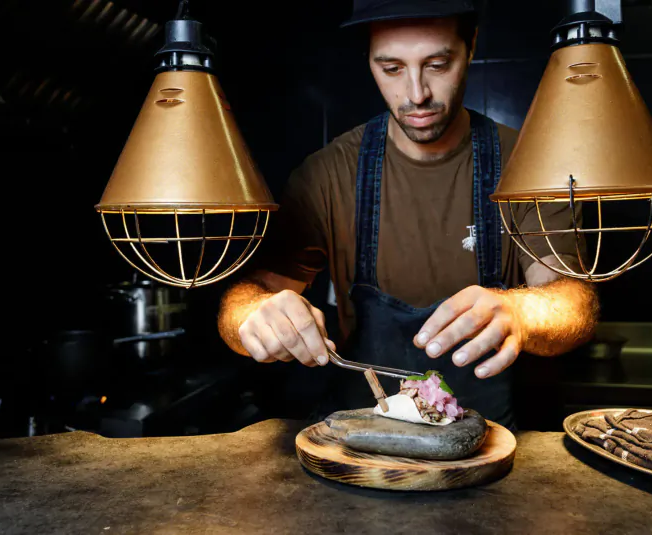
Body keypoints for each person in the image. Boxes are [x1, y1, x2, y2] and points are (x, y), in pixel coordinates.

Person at [218, 0, 598, 428]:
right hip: (359, 450)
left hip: (490, 449)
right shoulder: (327, 173)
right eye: (392, 69)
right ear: (368, 59)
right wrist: (255, 315)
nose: (416, 94)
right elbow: (243, 300)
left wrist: (521, 313)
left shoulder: (527, 166)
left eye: (437, 64)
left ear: (470, 46)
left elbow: (574, 306)